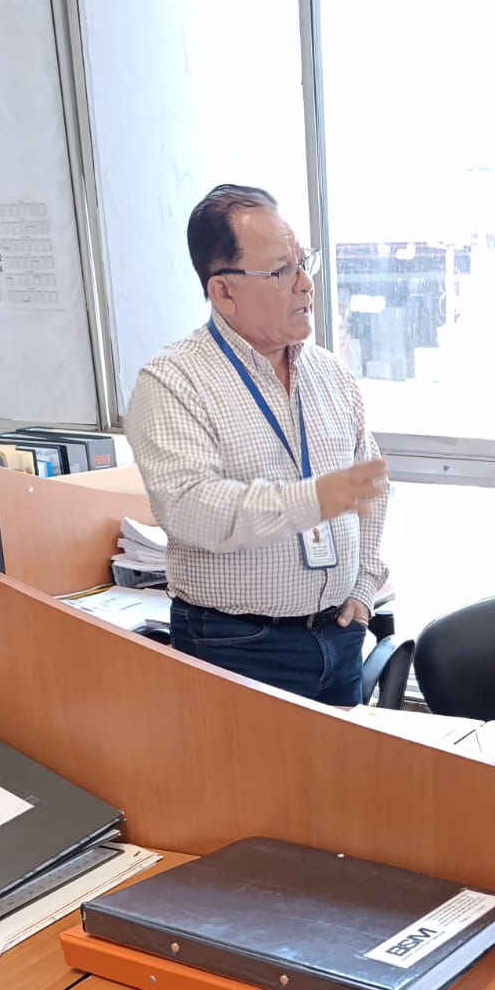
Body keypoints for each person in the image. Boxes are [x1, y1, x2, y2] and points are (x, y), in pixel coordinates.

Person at [127, 184, 388, 707]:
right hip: (238, 646)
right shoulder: (174, 380)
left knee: (339, 765)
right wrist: (313, 499)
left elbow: (371, 485)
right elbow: (191, 508)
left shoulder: (329, 372)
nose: (305, 283)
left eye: (303, 262)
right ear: (224, 291)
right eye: (281, 271)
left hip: (339, 637)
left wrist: (364, 587)